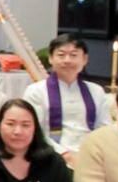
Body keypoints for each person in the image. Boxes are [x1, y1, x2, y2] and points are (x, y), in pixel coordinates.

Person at [23, 33, 112, 162]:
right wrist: (64, 154)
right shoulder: (36, 91)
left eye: (74, 55)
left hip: (91, 156)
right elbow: (34, 131)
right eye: (61, 55)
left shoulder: (96, 91)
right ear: (50, 58)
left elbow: (105, 130)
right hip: (50, 156)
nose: (67, 60)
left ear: (85, 59)